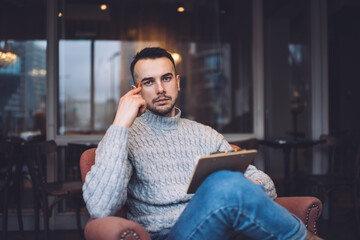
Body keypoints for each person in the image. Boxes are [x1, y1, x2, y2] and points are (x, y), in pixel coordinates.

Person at [82, 47, 322, 240]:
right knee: (223, 182)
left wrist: (242, 185)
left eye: (166, 78)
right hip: (170, 234)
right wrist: (120, 125)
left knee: (224, 182)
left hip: (222, 226)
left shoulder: (205, 134)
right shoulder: (122, 137)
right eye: (148, 82)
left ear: (177, 82)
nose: (160, 89)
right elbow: (101, 208)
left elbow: (268, 187)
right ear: (136, 91)